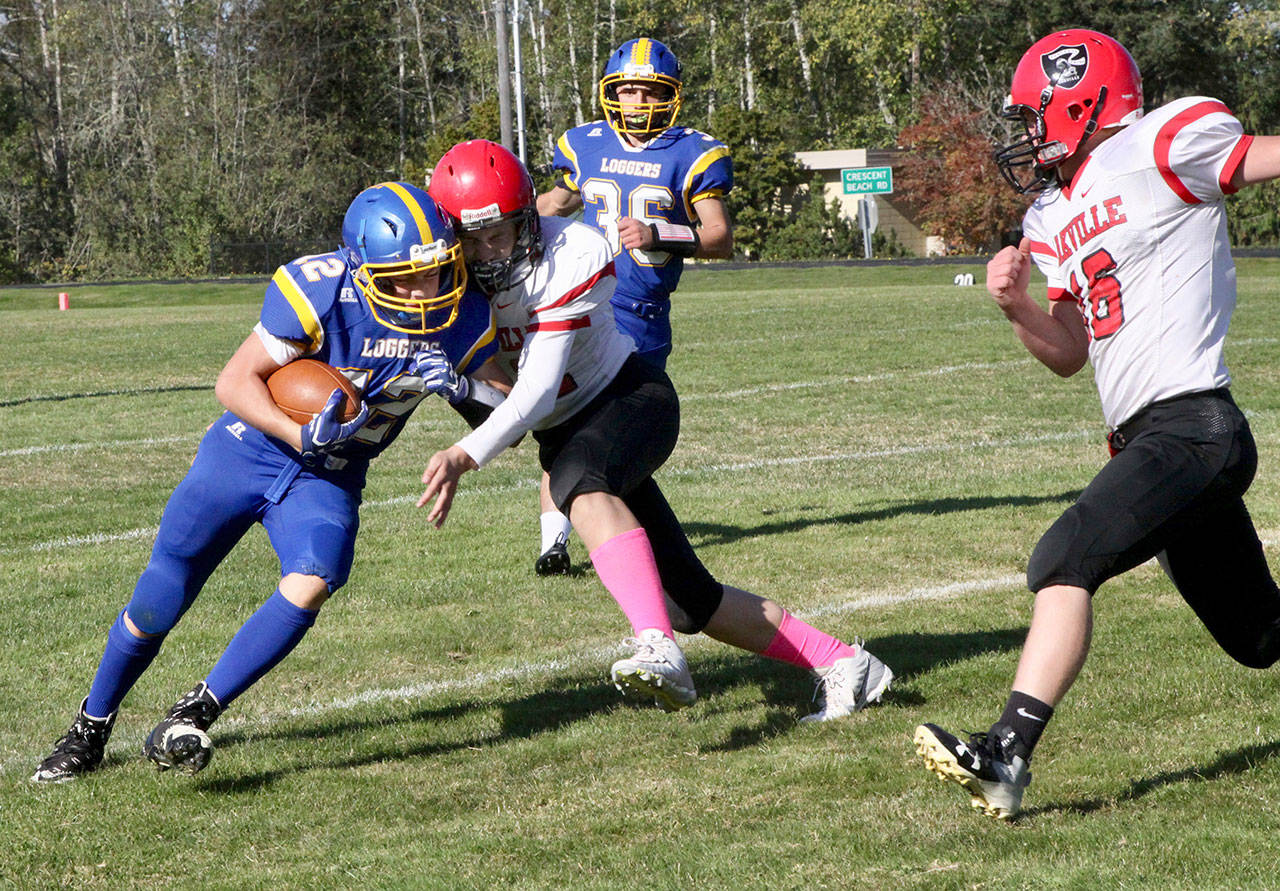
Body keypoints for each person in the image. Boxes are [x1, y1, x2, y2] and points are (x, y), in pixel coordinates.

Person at [914, 28, 1280, 820]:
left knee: (1063, 556)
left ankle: (1006, 751)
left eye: (1035, 116)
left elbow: (1259, 156)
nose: (1027, 136)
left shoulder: (1161, 139)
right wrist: (1014, 307)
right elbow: (1070, 352)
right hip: (1153, 442)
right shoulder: (1050, 213)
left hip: (1195, 426)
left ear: (1079, 99)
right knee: (1260, 637)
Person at [32, 182, 509, 782]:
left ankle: (194, 714)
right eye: (402, 278)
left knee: (315, 577)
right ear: (363, 272)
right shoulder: (321, 290)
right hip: (247, 451)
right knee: (159, 598)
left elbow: (510, 418)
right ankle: (90, 726)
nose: (422, 291)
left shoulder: (462, 315)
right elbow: (233, 384)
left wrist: (466, 389)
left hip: (331, 475)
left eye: (434, 272)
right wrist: (295, 432)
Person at [421, 138, 891, 719]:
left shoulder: (571, 250)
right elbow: (512, 420)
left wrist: (463, 455)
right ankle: (844, 662)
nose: (492, 250)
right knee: (693, 601)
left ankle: (656, 647)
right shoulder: (448, 285)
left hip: (630, 399)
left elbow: (538, 392)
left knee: (581, 483)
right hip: (567, 432)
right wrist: (455, 382)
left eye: (504, 232)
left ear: (529, 218)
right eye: (475, 238)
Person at [529, 36, 735, 576]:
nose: (638, 102)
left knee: (613, 431)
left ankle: (615, 523)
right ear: (610, 92)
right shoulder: (585, 143)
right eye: (629, 90)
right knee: (557, 420)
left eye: (649, 91)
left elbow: (719, 236)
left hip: (640, 312)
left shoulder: (692, 151)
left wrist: (659, 232)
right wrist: (488, 216)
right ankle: (554, 543)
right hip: (580, 300)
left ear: (669, 95)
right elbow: (559, 200)